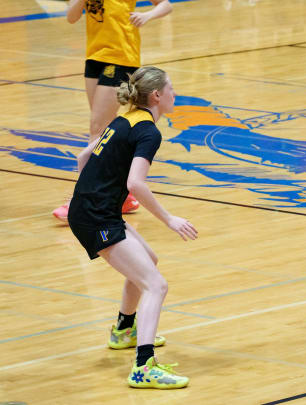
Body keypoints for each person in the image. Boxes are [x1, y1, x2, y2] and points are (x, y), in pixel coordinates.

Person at [68, 66, 197, 388]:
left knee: (147, 264)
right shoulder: (147, 131)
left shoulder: (126, 118)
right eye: (171, 88)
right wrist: (169, 219)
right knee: (156, 285)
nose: (174, 94)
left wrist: (94, 193)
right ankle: (144, 366)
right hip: (97, 216)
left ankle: (124, 329)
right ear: (156, 95)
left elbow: (84, 157)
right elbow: (136, 184)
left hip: (97, 210)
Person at [54, 0, 173, 222]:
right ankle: (122, 196)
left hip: (121, 57)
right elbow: (71, 16)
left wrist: (148, 15)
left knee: (97, 127)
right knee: (104, 128)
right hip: (94, 57)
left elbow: (166, 4)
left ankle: (83, 201)